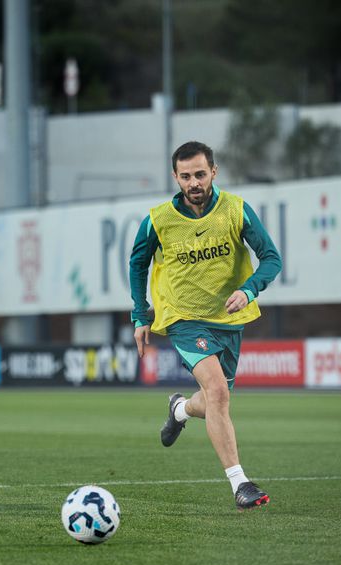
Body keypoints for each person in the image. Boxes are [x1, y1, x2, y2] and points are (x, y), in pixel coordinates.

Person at [129, 141, 282, 510]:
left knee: (215, 399)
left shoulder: (236, 210)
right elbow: (138, 264)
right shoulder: (158, 219)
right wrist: (140, 313)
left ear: (214, 171)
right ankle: (240, 484)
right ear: (175, 177)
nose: (193, 182)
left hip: (228, 320)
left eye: (200, 174)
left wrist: (248, 290)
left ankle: (180, 410)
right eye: (185, 176)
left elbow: (271, 258)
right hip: (182, 318)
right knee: (217, 392)